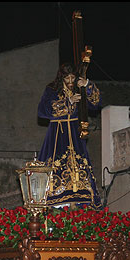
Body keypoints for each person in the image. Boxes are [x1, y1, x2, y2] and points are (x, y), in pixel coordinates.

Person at [37, 62, 102, 208]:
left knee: (80, 166)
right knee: (55, 165)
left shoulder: (79, 88)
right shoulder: (52, 89)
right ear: (62, 78)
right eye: (68, 79)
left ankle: (80, 200)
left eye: (73, 78)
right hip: (57, 134)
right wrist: (67, 102)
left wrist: (87, 85)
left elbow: (96, 103)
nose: (71, 82)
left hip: (74, 131)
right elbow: (42, 110)